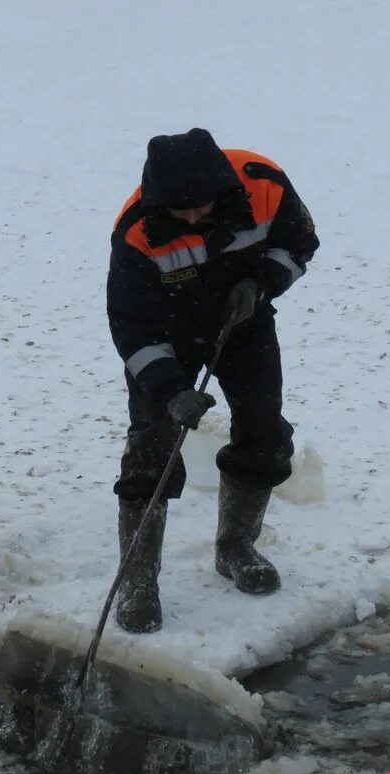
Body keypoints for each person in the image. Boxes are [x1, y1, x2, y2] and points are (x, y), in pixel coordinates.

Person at [106, 127, 319, 633]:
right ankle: (138, 579)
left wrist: (262, 282)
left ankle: (235, 546)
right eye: (184, 211)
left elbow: (300, 241)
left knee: (264, 429)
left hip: (242, 320)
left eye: (205, 206)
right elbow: (132, 330)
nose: (197, 216)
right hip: (166, 334)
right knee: (153, 445)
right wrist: (171, 391)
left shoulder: (262, 183)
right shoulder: (136, 235)